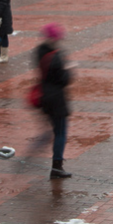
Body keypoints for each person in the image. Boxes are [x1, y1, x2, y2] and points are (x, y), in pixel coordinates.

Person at [35, 23, 73, 179]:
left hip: (44, 96)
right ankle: (57, 167)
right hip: (57, 100)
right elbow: (64, 79)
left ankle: (54, 164)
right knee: (60, 133)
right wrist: (68, 68)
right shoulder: (57, 56)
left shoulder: (39, 52)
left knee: (53, 130)